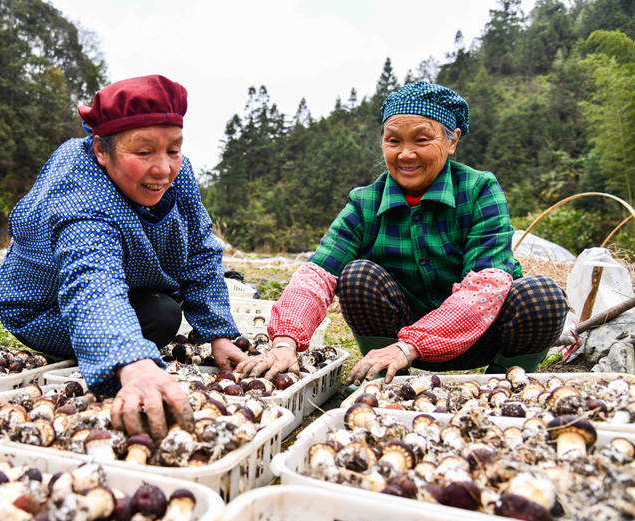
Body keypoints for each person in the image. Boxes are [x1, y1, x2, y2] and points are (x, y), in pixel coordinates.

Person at [236, 81, 568, 385]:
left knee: (542, 295)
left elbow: (487, 285)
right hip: (393, 347)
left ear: (451, 141)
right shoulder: (366, 201)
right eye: (393, 140)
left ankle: (501, 384)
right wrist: (285, 342)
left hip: (478, 335)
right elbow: (317, 274)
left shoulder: (480, 190)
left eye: (422, 140)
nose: (405, 154)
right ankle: (386, 379)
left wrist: (413, 344)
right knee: (357, 276)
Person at [0, 74, 246, 439]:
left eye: (173, 150)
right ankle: (106, 347)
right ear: (101, 149)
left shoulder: (179, 174)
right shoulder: (78, 184)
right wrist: (132, 362)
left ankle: (116, 341)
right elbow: (90, 278)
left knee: (162, 311)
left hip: (127, 285)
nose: (162, 169)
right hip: (45, 307)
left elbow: (200, 248)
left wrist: (219, 333)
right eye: (143, 152)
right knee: (162, 317)